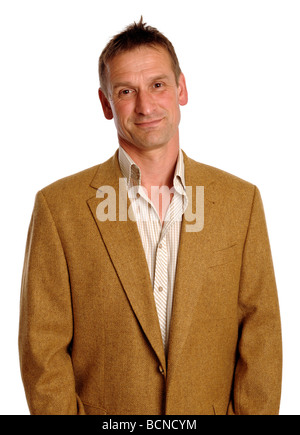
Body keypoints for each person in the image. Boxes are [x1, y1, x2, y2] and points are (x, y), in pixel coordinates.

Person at [19, 18, 282, 415]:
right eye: (127, 91)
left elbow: (262, 335)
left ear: (182, 88)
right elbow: (42, 348)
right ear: (107, 104)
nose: (145, 106)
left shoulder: (240, 201)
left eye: (158, 85)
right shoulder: (58, 209)